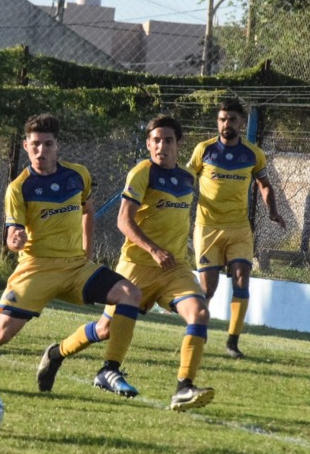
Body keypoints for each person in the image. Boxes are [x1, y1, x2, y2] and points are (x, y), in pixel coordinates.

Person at [0, 113, 142, 397]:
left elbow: (88, 210)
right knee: (0, 333)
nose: (41, 151)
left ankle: (109, 369)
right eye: (35, 144)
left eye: (47, 144)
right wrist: (15, 240)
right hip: (36, 269)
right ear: (25, 145)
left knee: (130, 294)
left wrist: (86, 254)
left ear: (58, 146)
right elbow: (11, 235)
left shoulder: (78, 174)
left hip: (75, 267)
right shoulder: (19, 187)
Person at [38, 116, 214, 411]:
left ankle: (184, 387)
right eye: (155, 140)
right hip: (136, 266)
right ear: (148, 144)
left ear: (178, 145)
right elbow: (123, 220)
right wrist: (153, 249)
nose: (161, 145)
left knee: (199, 312)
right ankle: (57, 354)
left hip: (175, 269)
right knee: (106, 330)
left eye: (168, 140)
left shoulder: (187, 179)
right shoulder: (142, 172)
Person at [187, 100, 286, 359]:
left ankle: (232, 342)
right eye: (222, 119)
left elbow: (264, 184)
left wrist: (273, 211)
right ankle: (198, 331)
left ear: (241, 122)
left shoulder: (253, 154)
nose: (226, 124)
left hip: (239, 228)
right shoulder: (204, 150)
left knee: (242, 279)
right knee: (208, 288)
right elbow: (187, 179)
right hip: (207, 228)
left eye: (231, 119)